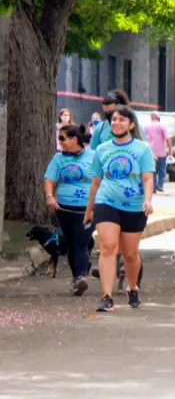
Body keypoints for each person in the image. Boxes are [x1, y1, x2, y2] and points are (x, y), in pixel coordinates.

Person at [84, 105, 155, 312]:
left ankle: (132, 287)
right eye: (114, 119)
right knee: (107, 247)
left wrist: (148, 200)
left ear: (131, 125)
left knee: (130, 253)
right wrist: (89, 209)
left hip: (134, 206)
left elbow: (147, 178)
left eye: (122, 120)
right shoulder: (102, 150)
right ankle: (106, 297)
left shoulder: (142, 149)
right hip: (107, 202)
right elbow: (96, 182)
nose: (117, 123)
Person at [44, 123, 95, 296]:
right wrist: (50, 196)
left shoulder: (93, 157)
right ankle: (76, 278)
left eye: (62, 138)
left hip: (87, 208)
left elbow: (100, 180)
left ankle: (80, 276)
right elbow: (49, 179)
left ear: (74, 139)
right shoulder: (58, 158)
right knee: (72, 243)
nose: (60, 142)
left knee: (81, 242)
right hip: (64, 209)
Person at [144, 112, 172, 193]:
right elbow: (167, 138)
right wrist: (170, 149)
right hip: (161, 151)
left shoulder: (146, 126)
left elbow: (143, 139)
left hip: (150, 152)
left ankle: (153, 186)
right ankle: (160, 185)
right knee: (161, 169)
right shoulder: (162, 126)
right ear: (157, 117)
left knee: (152, 169)